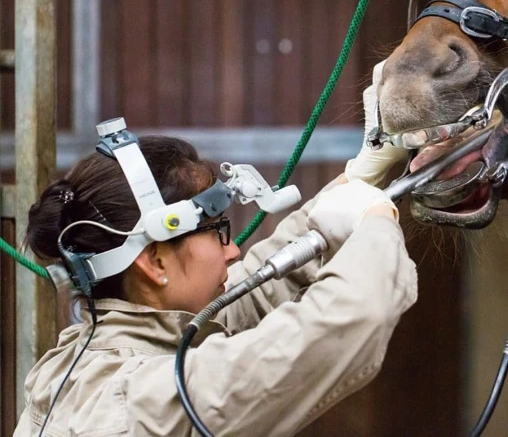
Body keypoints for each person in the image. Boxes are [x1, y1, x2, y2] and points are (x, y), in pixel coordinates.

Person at [14, 63, 413, 436]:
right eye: (215, 231)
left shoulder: (86, 361)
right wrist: (377, 221)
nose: (233, 252)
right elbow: (339, 326)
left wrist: (358, 179)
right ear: (154, 261)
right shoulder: (141, 402)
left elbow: (252, 290)